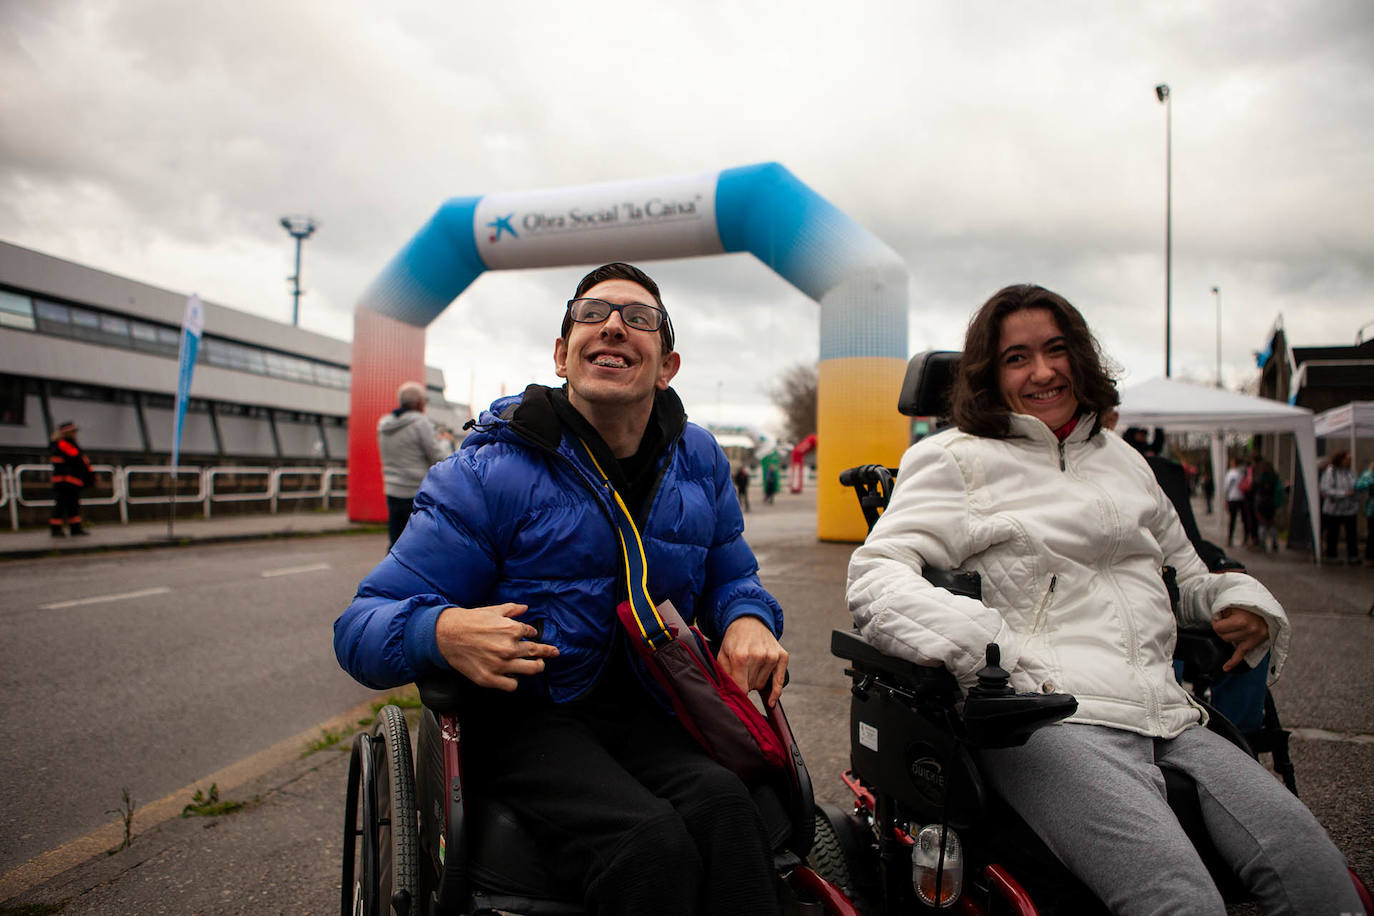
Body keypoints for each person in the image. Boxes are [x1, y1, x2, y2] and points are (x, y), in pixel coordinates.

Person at [846, 283, 1358, 915]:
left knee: (1319, 879)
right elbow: (875, 576)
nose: (1042, 371)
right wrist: (985, 651)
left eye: (1056, 350)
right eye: (1017, 357)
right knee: (1182, 902)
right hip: (1047, 717)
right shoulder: (954, 459)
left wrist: (1243, 599)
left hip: (1165, 713)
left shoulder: (1125, 461)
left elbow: (1188, 579)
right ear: (989, 373)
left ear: (1080, 358)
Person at [336, 262, 789, 915]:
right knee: (648, 846)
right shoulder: (487, 474)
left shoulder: (699, 459)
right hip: (526, 720)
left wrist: (747, 617)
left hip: (652, 706)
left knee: (730, 813)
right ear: (561, 353)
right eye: (591, 314)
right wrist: (440, 631)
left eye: (639, 319)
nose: (612, 326)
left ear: (667, 365)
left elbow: (730, 572)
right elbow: (360, 626)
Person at [376, 381, 454, 549]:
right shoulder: (421, 423)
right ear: (419, 402)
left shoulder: (384, 424)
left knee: (395, 541)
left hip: (391, 490)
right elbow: (438, 457)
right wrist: (446, 444)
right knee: (417, 545)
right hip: (415, 492)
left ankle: (391, 574)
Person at [48, 420, 95, 536]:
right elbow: (78, 459)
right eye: (73, 431)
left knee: (73, 505)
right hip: (65, 480)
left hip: (72, 480)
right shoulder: (63, 444)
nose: (75, 434)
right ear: (67, 432)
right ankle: (56, 529)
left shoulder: (69, 444)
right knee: (61, 504)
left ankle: (75, 528)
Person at [1320, 450, 1360, 565]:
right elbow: (1326, 489)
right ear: (1341, 460)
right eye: (1347, 460)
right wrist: (1343, 493)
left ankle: (1353, 555)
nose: (1349, 462)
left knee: (1351, 533)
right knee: (1333, 533)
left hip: (1350, 509)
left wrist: (1355, 495)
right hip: (1334, 509)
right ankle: (1331, 555)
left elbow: (1355, 485)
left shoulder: (1351, 472)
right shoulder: (1331, 472)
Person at [1252, 457, 1284, 553]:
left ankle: (1262, 542)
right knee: (1271, 524)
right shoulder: (1275, 478)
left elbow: (1255, 489)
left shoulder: (1260, 478)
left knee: (1262, 523)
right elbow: (1279, 490)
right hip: (1271, 503)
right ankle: (1274, 542)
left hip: (1262, 503)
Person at [1222, 456, 1248, 547]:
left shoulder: (1231, 473)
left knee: (1232, 519)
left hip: (1232, 498)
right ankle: (1246, 538)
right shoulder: (1244, 472)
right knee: (1244, 519)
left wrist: (1225, 499)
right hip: (1243, 497)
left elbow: (1226, 487)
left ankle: (1230, 538)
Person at [1356, 460, 1374, 564]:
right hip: (1372, 509)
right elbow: (1359, 486)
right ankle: (1370, 556)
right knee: (1372, 533)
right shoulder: (1369, 474)